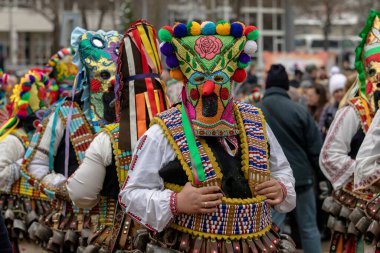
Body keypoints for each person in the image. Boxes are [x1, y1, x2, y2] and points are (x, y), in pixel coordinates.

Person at [119, 20, 296, 252]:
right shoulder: (163, 131)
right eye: (199, 80)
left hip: (258, 244)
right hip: (191, 245)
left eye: (220, 79)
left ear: (232, 79)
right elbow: (131, 195)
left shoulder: (255, 120)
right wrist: (176, 202)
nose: (208, 89)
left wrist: (281, 188)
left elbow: (282, 170)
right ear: (185, 81)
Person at [66, 20, 168, 252]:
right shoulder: (180, 131)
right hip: (168, 241)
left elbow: (81, 194)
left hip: (118, 240)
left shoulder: (108, 138)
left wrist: (60, 186)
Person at [19, 28, 122, 252]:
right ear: (87, 74)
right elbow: (33, 165)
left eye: (117, 75)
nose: (112, 83)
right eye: (104, 75)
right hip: (74, 228)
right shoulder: (65, 113)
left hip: (125, 233)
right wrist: (61, 187)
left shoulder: (135, 116)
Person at [319, 10, 380, 252]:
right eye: (375, 72)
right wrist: (369, 177)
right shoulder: (356, 109)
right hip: (359, 207)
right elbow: (329, 156)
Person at [257, 64, 322, 253]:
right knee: (309, 228)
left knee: (270, 233)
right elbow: (315, 147)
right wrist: (319, 177)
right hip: (302, 178)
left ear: (267, 85)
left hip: (270, 183)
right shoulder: (300, 110)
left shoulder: (254, 112)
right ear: (286, 85)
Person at [0, 70, 50, 250]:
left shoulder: (42, 139)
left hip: (40, 215)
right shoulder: (13, 140)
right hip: (16, 218)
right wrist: (21, 166)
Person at [319, 73, 346, 138]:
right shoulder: (328, 109)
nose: (340, 94)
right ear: (332, 94)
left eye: (341, 90)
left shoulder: (352, 107)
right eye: (336, 91)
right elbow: (320, 127)